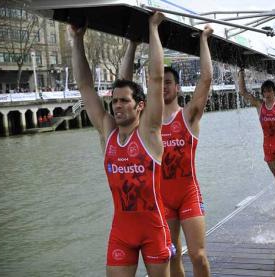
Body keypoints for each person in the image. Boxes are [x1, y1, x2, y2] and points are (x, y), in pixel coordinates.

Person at [70, 12, 173, 277]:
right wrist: (77, 40)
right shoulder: (108, 133)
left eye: (124, 101)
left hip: (154, 230)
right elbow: (84, 86)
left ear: (140, 106)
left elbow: (156, 80)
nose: (117, 105)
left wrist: (153, 29)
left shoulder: (149, 132)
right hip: (121, 233)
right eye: (114, 101)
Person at [120, 25, 213, 277]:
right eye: (161, 83)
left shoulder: (189, 116)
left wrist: (204, 40)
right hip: (161, 199)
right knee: (172, 256)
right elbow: (124, 85)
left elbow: (205, 80)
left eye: (169, 83)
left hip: (188, 194)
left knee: (198, 255)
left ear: (178, 88)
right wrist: (132, 45)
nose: (164, 87)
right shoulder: (148, 123)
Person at [238, 66, 275, 218]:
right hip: (268, 147)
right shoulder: (260, 106)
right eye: (264, 91)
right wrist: (242, 72)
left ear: (274, 92)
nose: (267, 94)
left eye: (269, 91)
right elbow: (243, 92)